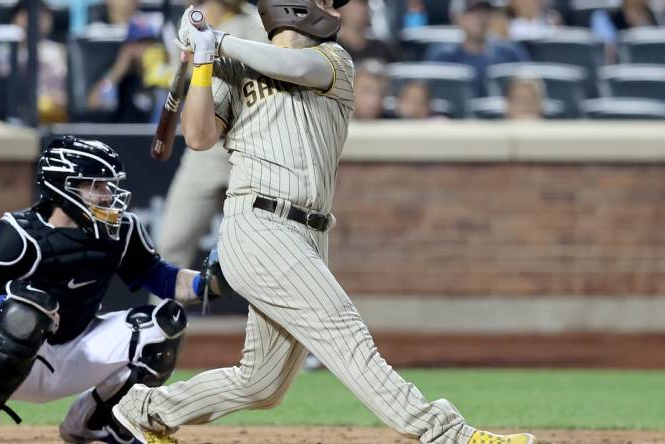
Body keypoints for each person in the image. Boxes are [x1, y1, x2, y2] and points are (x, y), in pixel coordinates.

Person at [112, 2, 537, 444]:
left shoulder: (333, 60)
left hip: (309, 233)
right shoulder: (233, 66)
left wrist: (217, 42)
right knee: (344, 334)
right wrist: (203, 62)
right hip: (259, 225)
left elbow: (293, 65)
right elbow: (198, 137)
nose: (330, 7)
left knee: (261, 384)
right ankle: (446, 435)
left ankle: (144, 409)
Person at [0, 136, 221, 444]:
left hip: (73, 349)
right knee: (27, 310)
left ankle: (99, 422)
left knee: (166, 324)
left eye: (109, 186)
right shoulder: (16, 234)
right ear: (63, 187)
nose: (108, 195)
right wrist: (17, 302)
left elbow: (164, 280)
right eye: (96, 186)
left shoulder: (122, 231)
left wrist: (211, 282)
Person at [156, 0, 268, 269]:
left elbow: (252, 79)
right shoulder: (189, 20)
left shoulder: (257, 24)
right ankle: (164, 310)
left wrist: (206, 57)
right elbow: (181, 82)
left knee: (263, 251)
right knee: (171, 242)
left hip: (249, 149)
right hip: (206, 152)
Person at [427, 0, 529, 97]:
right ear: (456, 17)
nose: (481, 18)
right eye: (473, 12)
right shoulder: (443, 57)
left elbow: (529, 89)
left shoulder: (510, 53)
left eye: (486, 12)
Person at [87, 12, 170, 123]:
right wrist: (116, 73)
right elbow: (94, 105)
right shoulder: (116, 73)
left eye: (151, 43)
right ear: (128, 48)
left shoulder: (164, 74)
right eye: (141, 43)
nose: (147, 49)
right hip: (123, 136)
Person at [337, 0, 404, 63]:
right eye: (356, 3)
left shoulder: (382, 49)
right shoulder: (332, 51)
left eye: (365, 3)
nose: (363, 9)